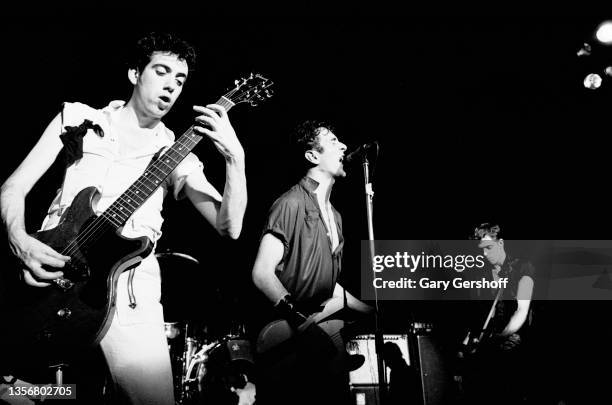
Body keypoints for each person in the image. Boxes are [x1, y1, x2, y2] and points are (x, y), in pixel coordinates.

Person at [0, 32, 247, 405]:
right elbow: (14, 186)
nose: (170, 86)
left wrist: (235, 160)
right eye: (161, 72)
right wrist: (20, 239)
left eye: (179, 80)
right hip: (52, 273)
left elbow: (229, 228)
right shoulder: (78, 118)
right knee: (30, 393)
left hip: (129, 292)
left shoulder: (177, 153)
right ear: (135, 73)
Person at [251, 120, 371, 405]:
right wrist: (303, 326)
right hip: (289, 340)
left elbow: (324, 282)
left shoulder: (336, 216)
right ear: (312, 156)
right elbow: (262, 274)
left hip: (322, 338)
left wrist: (370, 310)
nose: (343, 146)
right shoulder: (290, 203)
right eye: (333, 141)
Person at [460, 223, 535, 405]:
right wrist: (466, 344)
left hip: (517, 349)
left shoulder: (523, 268)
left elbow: (521, 310)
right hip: (487, 354)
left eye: (489, 248)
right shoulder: (479, 276)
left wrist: (502, 337)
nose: (485, 254)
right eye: (481, 250)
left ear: (500, 243)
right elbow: (475, 317)